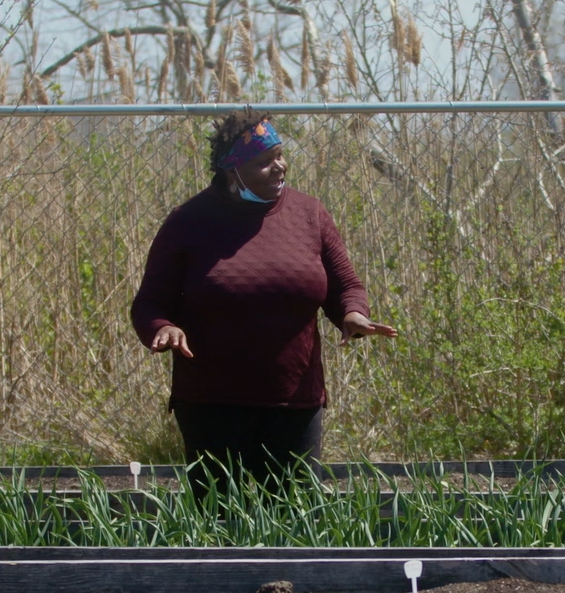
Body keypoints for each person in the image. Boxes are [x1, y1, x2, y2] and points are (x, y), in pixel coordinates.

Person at [129, 110, 398, 482]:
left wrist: (353, 315)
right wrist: (162, 328)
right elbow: (149, 303)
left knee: (293, 518)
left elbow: (345, 287)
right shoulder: (189, 222)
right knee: (221, 519)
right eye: (264, 162)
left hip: (295, 399)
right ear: (232, 170)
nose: (279, 167)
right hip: (212, 403)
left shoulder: (310, 214)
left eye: (280, 155)